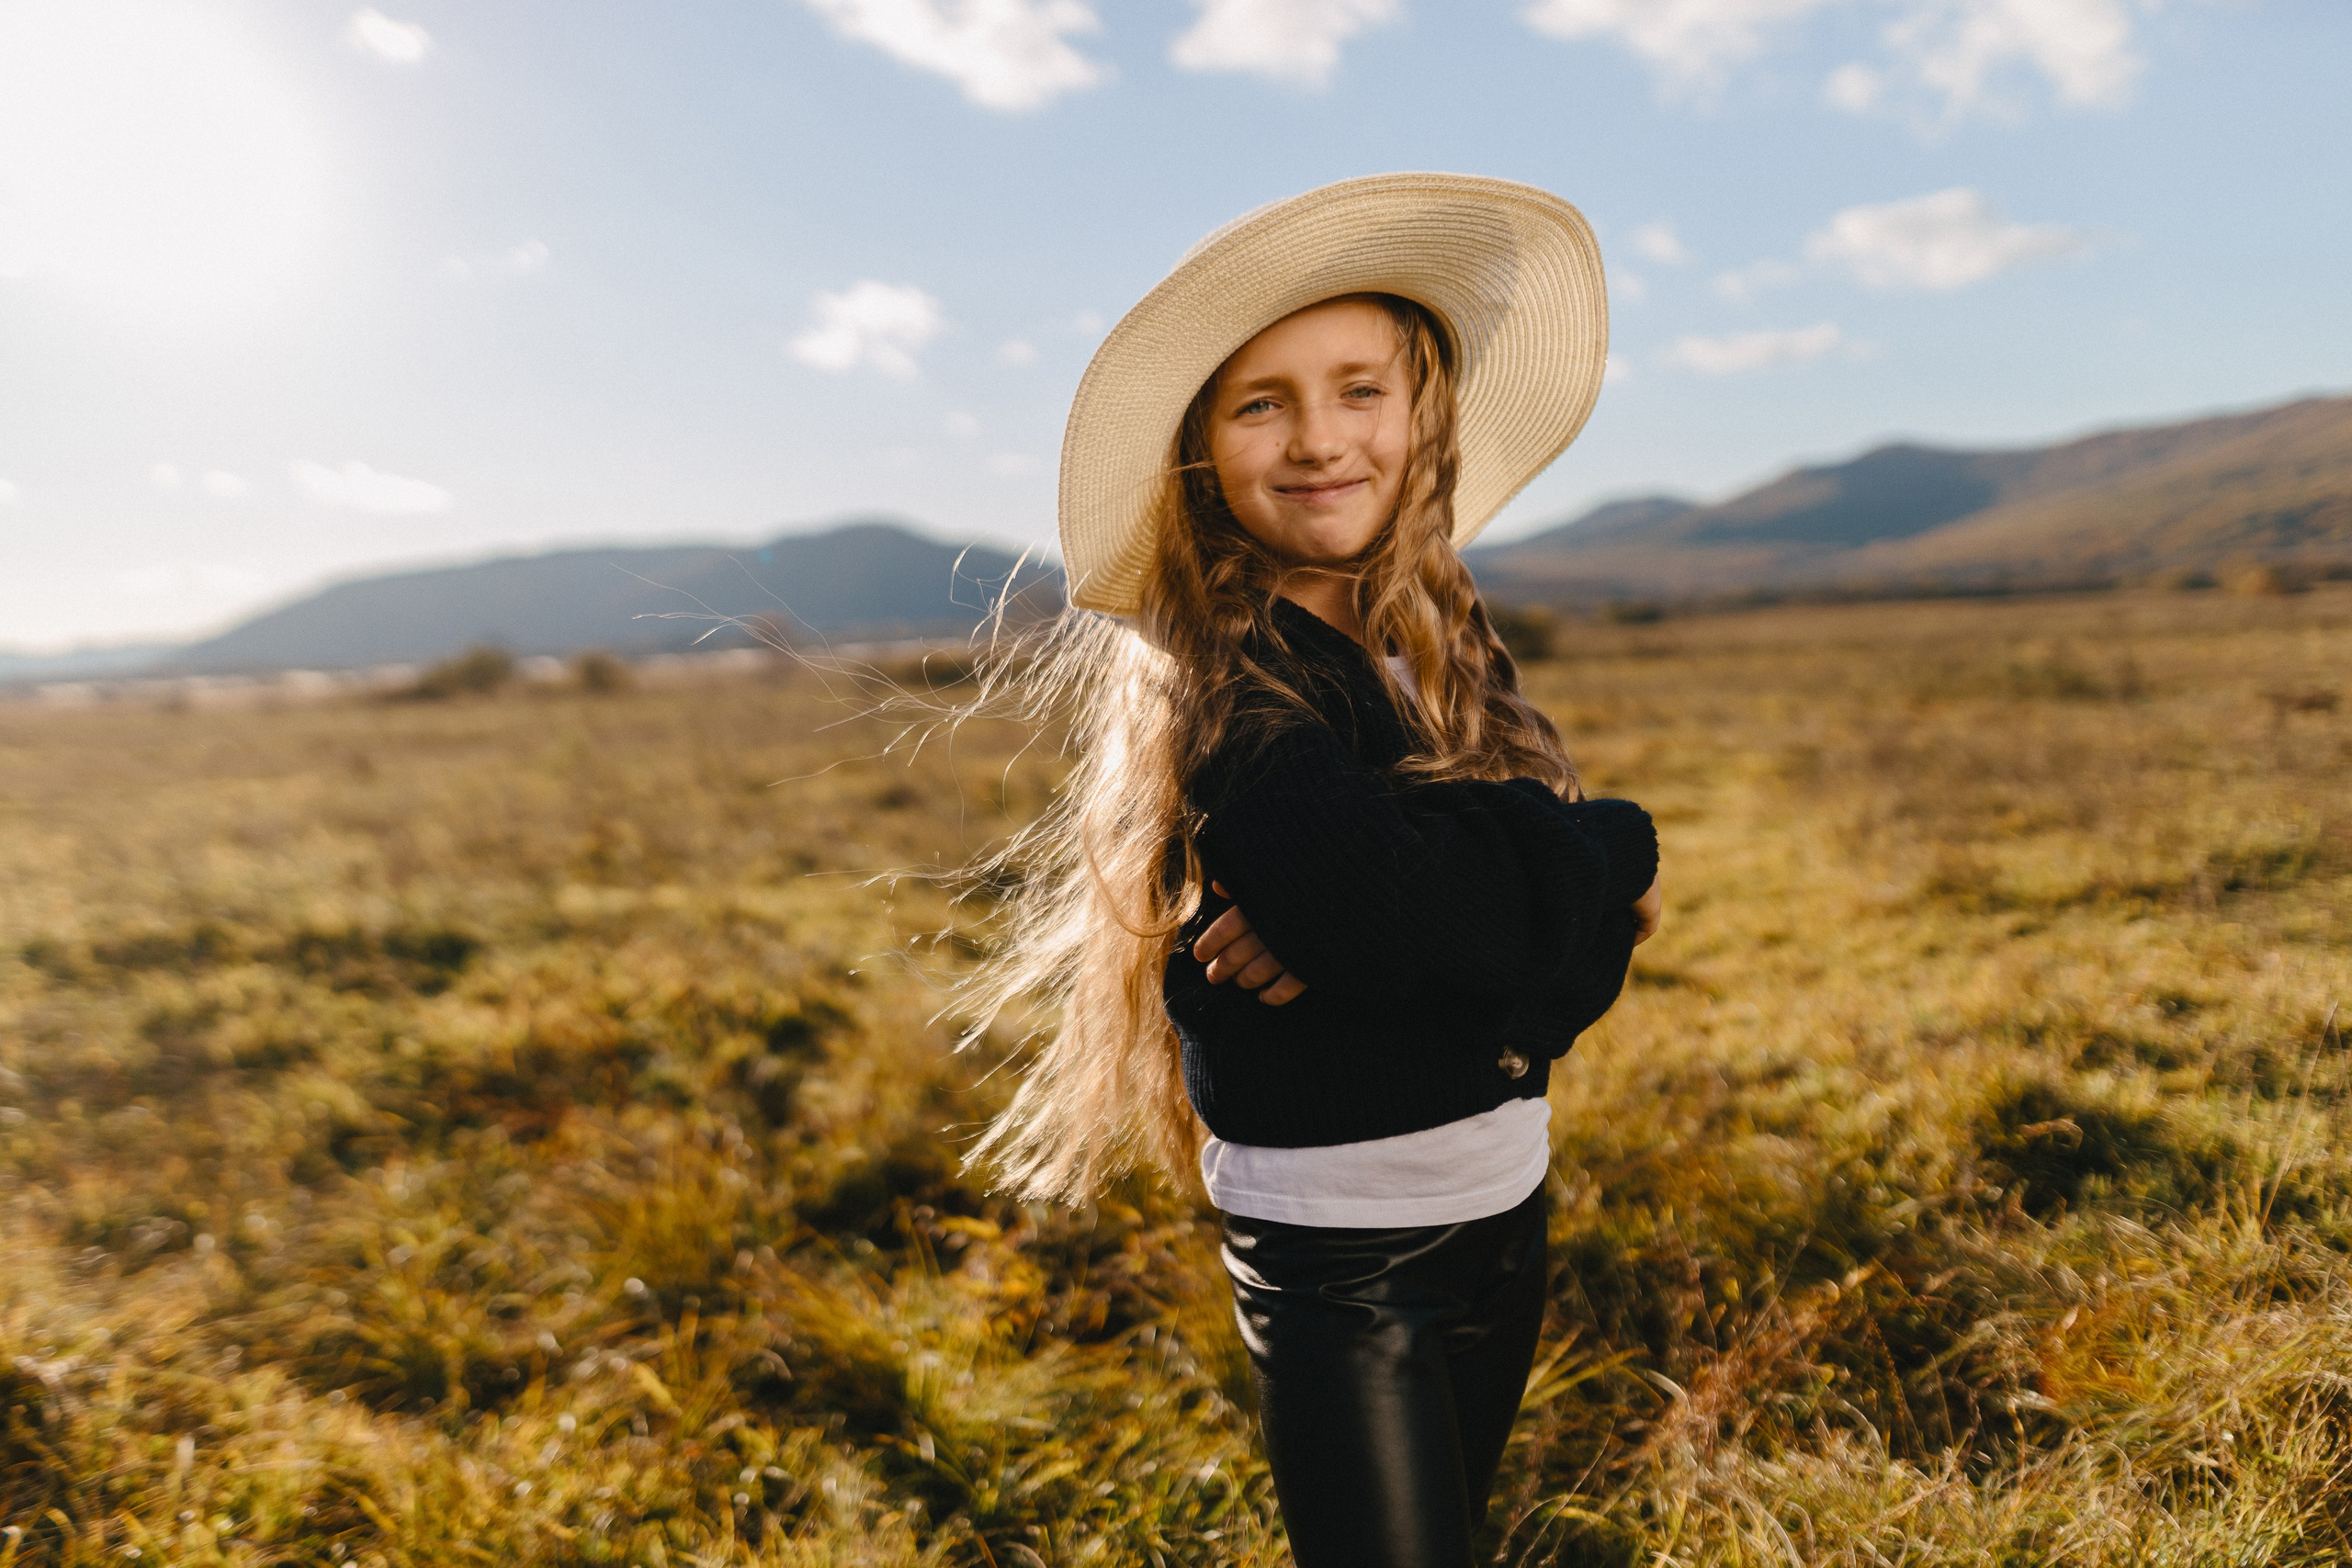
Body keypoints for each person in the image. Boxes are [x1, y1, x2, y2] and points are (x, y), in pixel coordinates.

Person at [954, 173, 1662, 1568]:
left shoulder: (1438, 651)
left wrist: (1546, 887)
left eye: (1360, 390)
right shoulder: (1238, 688)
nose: (1321, 438)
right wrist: (1608, 855)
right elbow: (1454, 929)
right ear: (1201, 453)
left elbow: (1546, 978)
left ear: (1422, 415)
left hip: (1502, 1200)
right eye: (1261, 403)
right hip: (1347, 1263)